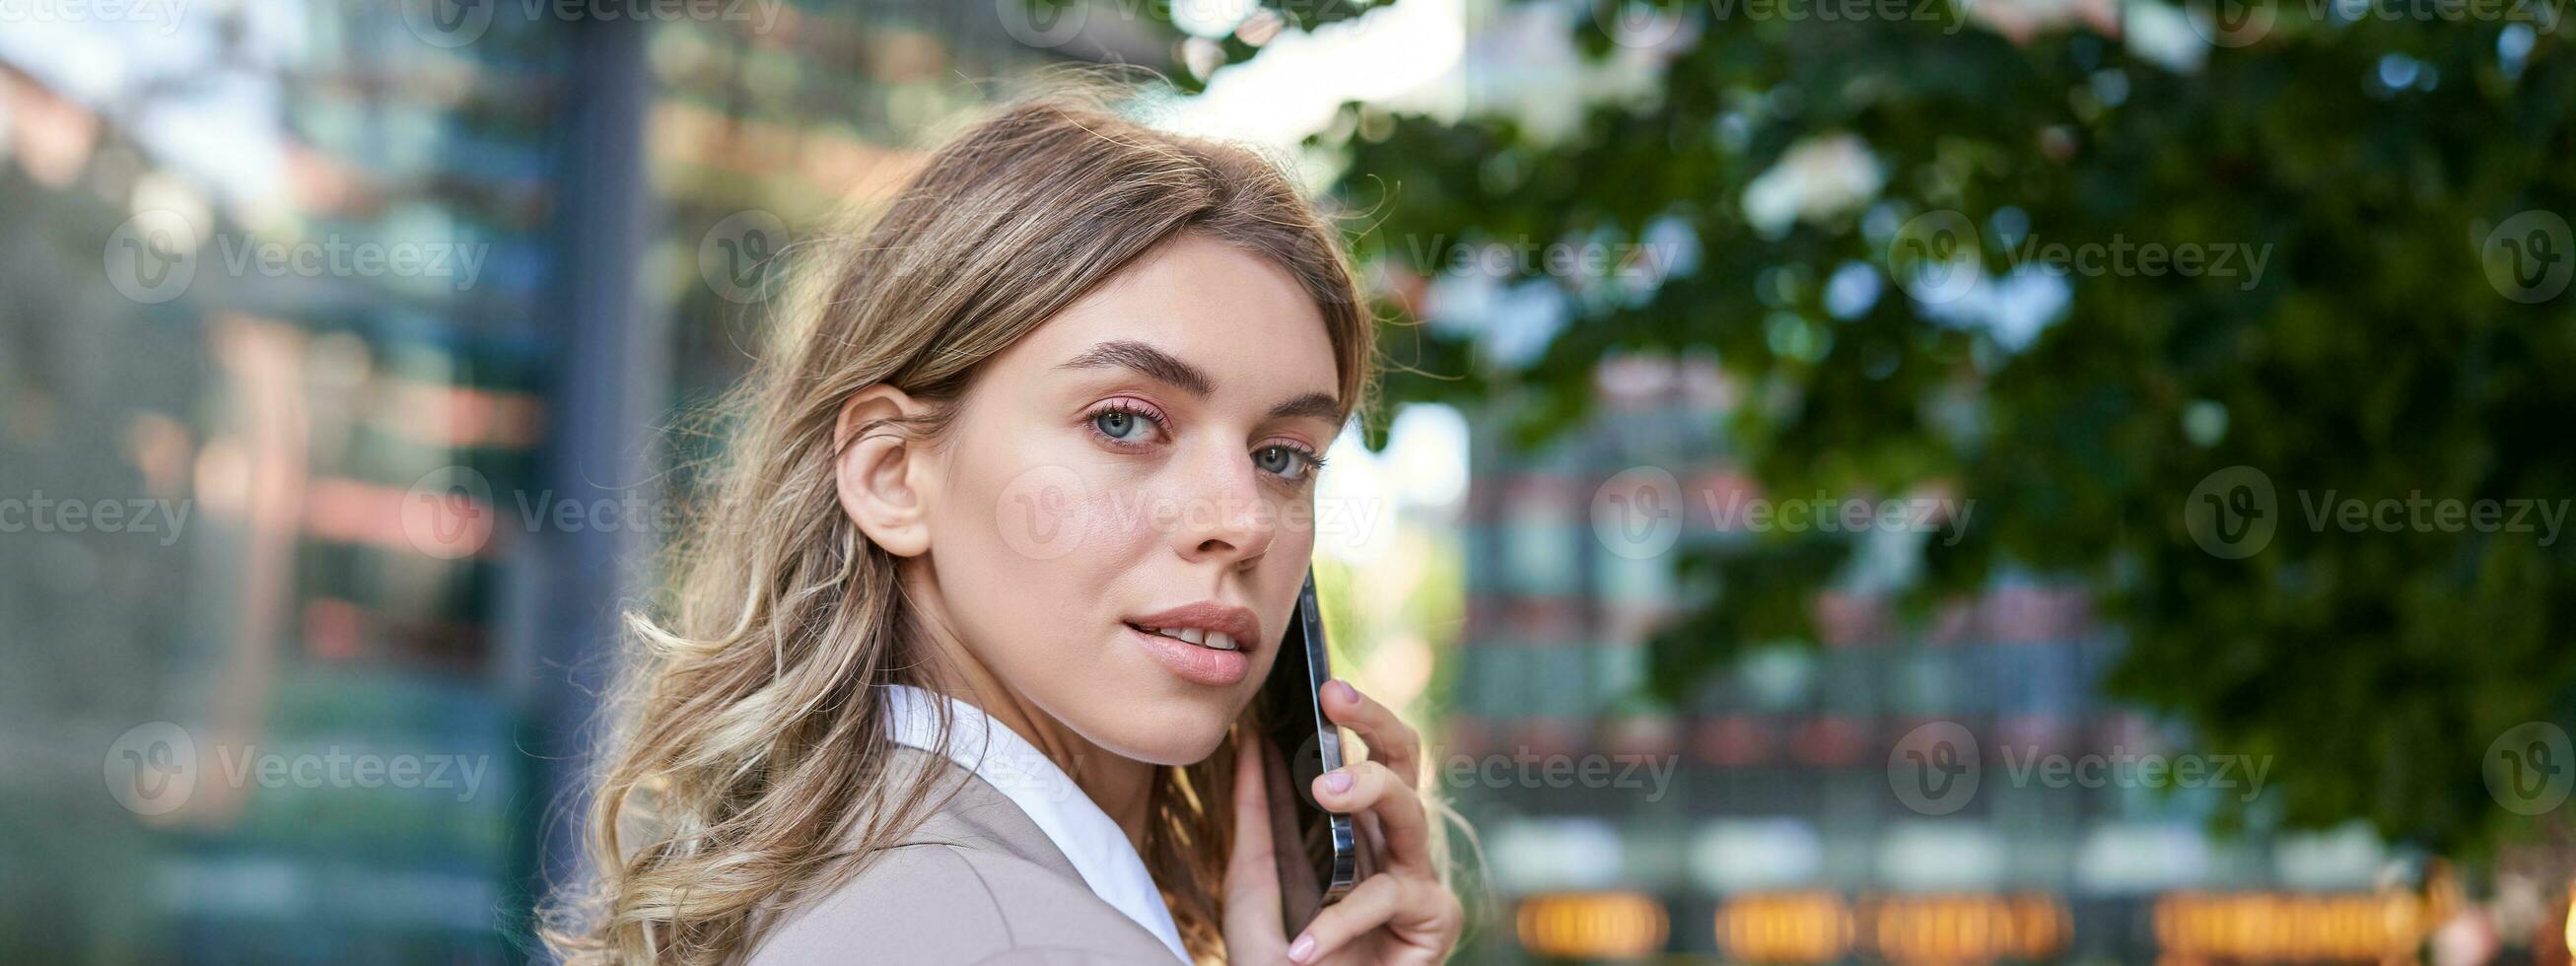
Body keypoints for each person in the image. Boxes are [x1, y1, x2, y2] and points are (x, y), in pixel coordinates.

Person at [540, 89, 1467, 966]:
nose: (1239, 520)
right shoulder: (1023, 940)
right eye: (1123, 422)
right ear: (892, 475)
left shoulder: (867, 894)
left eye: (1282, 456)